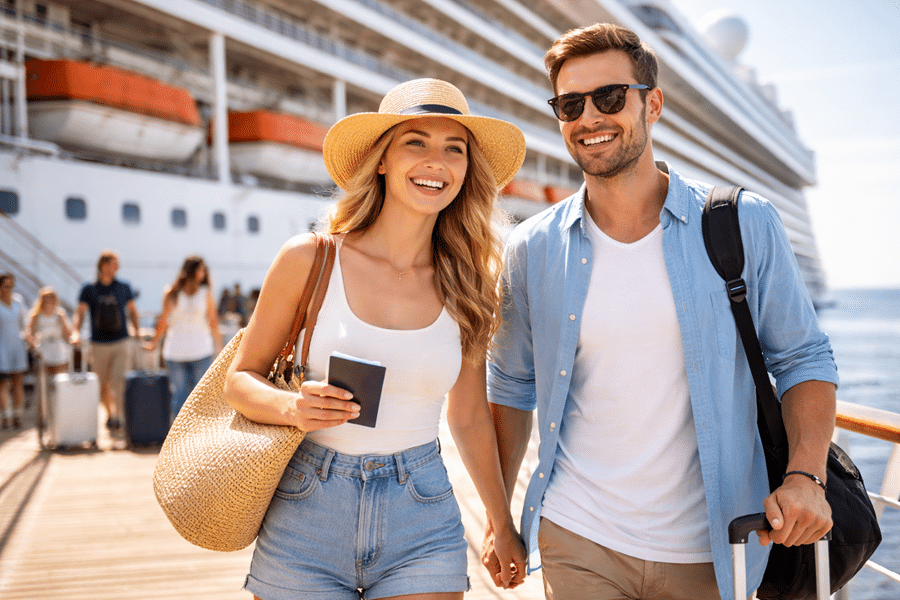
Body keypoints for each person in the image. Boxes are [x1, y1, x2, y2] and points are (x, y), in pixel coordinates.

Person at [481, 23, 839, 600]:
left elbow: (803, 358)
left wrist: (804, 475)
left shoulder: (744, 222)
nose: (590, 118)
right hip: (578, 535)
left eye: (610, 97)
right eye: (571, 105)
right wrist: (501, 523)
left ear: (654, 104)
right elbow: (511, 386)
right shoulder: (532, 248)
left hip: (715, 545)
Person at [224, 78, 528, 600]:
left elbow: (471, 416)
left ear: (465, 172)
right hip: (307, 509)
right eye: (416, 142)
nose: (437, 162)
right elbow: (239, 379)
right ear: (382, 160)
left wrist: (502, 524)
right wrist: (294, 406)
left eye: (454, 149)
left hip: (422, 511)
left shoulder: (470, 283)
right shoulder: (310, 259)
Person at [144, 255, 222, 421]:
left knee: (200, 397)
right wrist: (154, 343)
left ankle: (197, 438)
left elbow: (213, 322)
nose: (203, 273)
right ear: (192, 270)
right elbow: (163, 322)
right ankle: (178, 439)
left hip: (201, 351)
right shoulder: (171, 293)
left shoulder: (204, 293)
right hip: (175, 353)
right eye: (201, 269)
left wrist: (220, 347)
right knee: (180, 396)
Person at [72, 250, 141, 432]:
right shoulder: (89, 289)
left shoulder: (124, 287)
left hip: (121, 341)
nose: (116, 267)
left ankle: (118, 416)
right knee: (102, 383)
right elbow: (80, 313)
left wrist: (137, 330)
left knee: (119, 381)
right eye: (113, 264)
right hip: (98, 343)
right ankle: (109, 414)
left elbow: (132, 310)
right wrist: (75, 333)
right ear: (103, 265)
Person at [0, 273, 29, 430]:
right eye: (5, 286)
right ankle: (5, 415)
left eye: (11, 286)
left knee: (18, 382)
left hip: (17, 347)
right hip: (1, 348)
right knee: (2, 384)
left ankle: (18, 415)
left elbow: (25, 324)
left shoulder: (18, 302)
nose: (8, 289)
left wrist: (29, 339)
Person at [25, 286, 73, 377]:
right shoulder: (36, 314)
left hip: (58, 349)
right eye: (45, 299)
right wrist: (33, 343)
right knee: (43, 381)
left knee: (60, 379)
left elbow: (67, 332)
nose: (48, 301)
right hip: (43, 349)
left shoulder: (60, 314)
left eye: (50, 298)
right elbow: (29, 332)